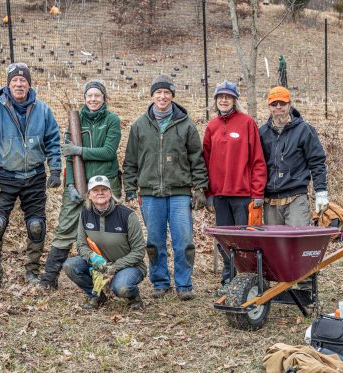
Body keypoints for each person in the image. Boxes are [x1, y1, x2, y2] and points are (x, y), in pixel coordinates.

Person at [0, 62, 62, 291]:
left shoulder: (43, 110)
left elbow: (53, 141)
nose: (19, 84)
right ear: (8, 84)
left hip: (34, 176)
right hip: (4, 177)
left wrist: (55, 169)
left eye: (23, 80)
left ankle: (32, 271)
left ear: (29, 84)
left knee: (36, 225)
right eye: (14, 80)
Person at [123, 74, 208, 301]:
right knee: (154, 241)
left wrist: (200, 187)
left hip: (179, 192)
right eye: (158, 92)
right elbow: (130, 160)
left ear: (172, 96)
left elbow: (197, 159)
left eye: (166, 93)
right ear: (152, 95)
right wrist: (130, 187)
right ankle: (160, 281)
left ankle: (184, 284)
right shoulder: (140, 125)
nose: (162, 96)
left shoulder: (186, 124)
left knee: (184, 240)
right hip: (150, 194)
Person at [40, 80, 121, 289]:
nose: (93, 99)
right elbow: (68, 155)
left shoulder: (111, 120)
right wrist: (69, 185)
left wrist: (81, 151)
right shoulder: (75, 120)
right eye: (89, 96)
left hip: (103, 185)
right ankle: (49, 278)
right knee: (65, 228)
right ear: (85, 98)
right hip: (77, 183)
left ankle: (109, 279)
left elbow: (108, 152)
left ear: (104, 99)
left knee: (104, 232)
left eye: (97, 96)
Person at [202, 81, 267, 295]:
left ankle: (248, 280)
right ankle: (228, 280)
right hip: (220, 196)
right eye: (220, 97)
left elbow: (257, 160)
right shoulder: (211, 127)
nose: (223, 100)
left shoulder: (247, 123)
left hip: (242, 195)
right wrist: (208, 193)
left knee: (244, 241)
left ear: (234, 100)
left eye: (228, 97)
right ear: (216, 101)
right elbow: (204, 161)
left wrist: (257, 193)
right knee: (225, 241)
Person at [63, 175, 146, 309]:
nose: (100, 193)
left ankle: (133, 297)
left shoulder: (127, 215)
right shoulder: (84, 214)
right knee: (70, 265)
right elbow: (81, 245)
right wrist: (93, 258)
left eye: (104, 189)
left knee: (121, 288)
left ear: (110, 193)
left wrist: (114, 267)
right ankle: (97, 295)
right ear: (89, 195)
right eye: (95, 190)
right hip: (98, 265)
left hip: (128, 265)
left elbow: (139, 251)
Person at [259, 86, 328, 227]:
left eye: (282, 103)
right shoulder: (262, 133)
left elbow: (316, 162)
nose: (278, 107)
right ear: (269, 107)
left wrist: (321, 191)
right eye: (274, 104)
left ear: (289, 104)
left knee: (297, 243)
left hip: (296, 198)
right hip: (270, 201)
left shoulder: (304, 130)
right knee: (275, 246)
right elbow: (256, 165)